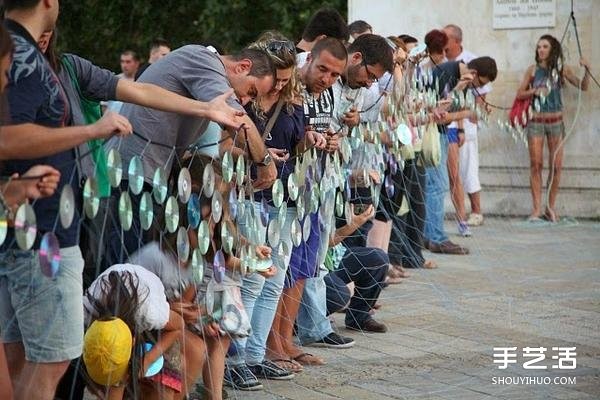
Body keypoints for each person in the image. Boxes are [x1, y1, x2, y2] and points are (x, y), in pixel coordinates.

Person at [0, 2, 133, 399]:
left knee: (22, 359)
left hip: (29, 224)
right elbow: (7, 138)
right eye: (4, 73)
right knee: (52, 358)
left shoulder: (28, 54)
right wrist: (90, 131)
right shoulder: (23, 55)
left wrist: (14, 190)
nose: (7, 80)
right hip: (38, 237)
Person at [104, 44, 278, 268]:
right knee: (124, 267)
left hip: (147, 178)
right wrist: (264, 161)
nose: (244, 100)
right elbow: (237, 119)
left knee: (137, 268)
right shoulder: (204, 61)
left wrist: (243, 247)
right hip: (129, 175)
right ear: (242, 67)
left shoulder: (205, 77)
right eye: (251, 91)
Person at [424, 56, 498, 255]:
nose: (478, 88)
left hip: (438, 133)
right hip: (429, 134)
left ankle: (429, 235)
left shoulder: (462, 79)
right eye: (479, 83)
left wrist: (476, 110)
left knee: (433, 186)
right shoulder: (447, 73)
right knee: (436, 186)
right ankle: (435, 238)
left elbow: (456, 108)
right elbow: (439, 113)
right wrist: (467, 114)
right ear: (474, 73)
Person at [516, 34, 591, 222]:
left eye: (545, 47)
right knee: (536, 165)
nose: (541, 50)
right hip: (536, 123)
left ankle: (550, 208)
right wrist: (534, 91)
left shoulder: (561, 69)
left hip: (556, 122)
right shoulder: (532, 71)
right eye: (539, 46)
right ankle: (536, 209)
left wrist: (587, 70)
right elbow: (520, 93)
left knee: (556, 166)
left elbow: (583, 87)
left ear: (552, 50)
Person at [83, 263, 185, 399]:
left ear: (133, 341)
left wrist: (148, 359)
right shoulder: (86, 313)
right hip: (118, 315)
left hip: (155, 317)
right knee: (115, 382)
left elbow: (179, 326)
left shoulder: (150, 313)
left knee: (164, 390)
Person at [444, 24, 491, 229]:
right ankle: (461, 216)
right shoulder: (442, 61)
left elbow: (483, 91)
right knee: (455, 174)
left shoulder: (471, 61)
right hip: (449, 123)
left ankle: (476, 211)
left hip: (464, 125)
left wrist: (475, 114)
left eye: (446, 38)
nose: (443, 42)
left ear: (456, 41)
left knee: (469, 169)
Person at [324, 204, 388, 332]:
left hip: (334, 256)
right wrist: (353, 224)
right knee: (338, 294)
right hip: (311, 266)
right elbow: (326, 242)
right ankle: (300, 321)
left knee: (377, 259)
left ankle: (359, 318)